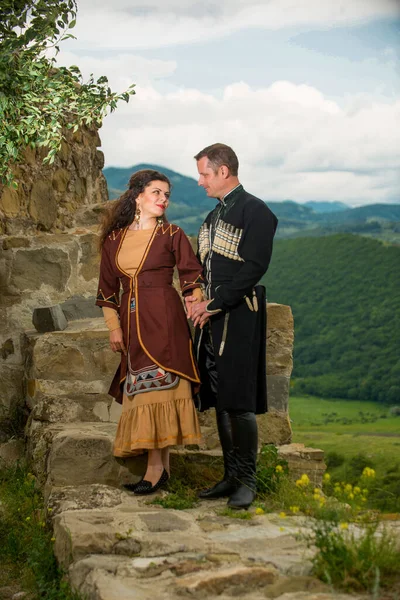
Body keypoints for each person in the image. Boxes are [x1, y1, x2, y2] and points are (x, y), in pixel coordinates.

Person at [96, 169, 204, 495]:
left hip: (167, 322)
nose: (163, 199)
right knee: (143, 390)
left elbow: (191, 277)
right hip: (131, 326)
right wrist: (114, 328)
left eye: (166, 195)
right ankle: (163, 470)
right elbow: (106, 292)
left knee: (161, 389)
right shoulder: (114, 240)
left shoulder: (171, 234)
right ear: (138, 196)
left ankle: (155, 471)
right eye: (157, 192)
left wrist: (196, 306)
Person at [186, 143, 278, 509]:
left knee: (238, 402)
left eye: (204, 173)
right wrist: (196, 297)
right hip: (213, 319)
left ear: (223, 171)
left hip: (239, 315)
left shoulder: (256, 211)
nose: (200, 181)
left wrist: (215, 303)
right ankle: (230, 476)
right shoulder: (212, 217)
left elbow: (254, 267)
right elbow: (201, 265)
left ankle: (248, 482)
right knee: (222, 400)